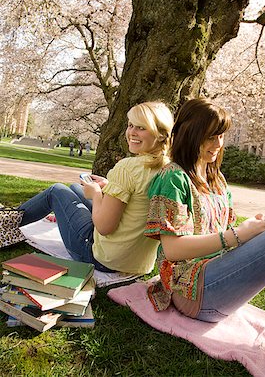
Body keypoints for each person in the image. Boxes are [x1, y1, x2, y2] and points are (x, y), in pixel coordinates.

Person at [145, 97, 265, 322]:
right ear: (190, 134)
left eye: (221, 136)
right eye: (210, 136)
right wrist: (238, 235)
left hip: (219, 273)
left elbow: (222, 236)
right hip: (191, 290)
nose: (218, 144)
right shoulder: (172, 178)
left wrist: (253, 231)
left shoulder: (216, 179)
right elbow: (173, 250)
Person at [19, 102, 173, 274]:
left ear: (160, 134)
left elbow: (104, 227)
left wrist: (97, 194)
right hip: (139, 263)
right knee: (76, 189)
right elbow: (139, 199)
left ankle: (5, 225)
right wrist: (109, 186)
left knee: (56, 191)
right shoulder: (170, 169)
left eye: (141, 128)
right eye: (130, 125)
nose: (132, 133)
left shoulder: (128, 167)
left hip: (102, 258)